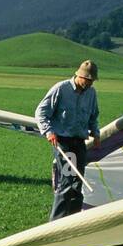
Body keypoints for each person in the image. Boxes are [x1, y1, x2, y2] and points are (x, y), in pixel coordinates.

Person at [35, 60, 101, 221]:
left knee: (78, 183)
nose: (90, 83)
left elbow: (94, 116)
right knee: (67, 181)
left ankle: (73, 221)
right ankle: (55, 223)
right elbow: (41, 112)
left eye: (92, 81)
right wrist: (49, 132)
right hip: (63, 141)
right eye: (87, 80)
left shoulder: (91, 93)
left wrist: (96, 132)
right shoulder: (61, 89)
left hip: (79, 141)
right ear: (79, 76)